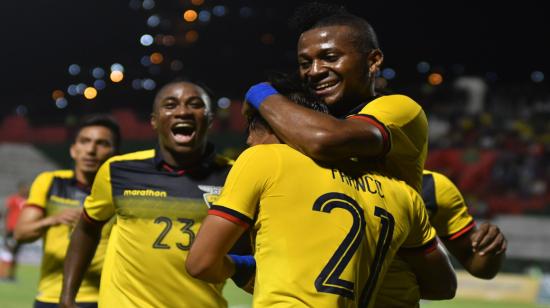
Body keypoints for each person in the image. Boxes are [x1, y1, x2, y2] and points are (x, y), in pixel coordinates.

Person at [186, 78, 457, 307]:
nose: (248, 142)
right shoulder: (403, 194)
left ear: (277, 124)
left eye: (251, 132)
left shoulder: (265, 159)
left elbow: (200, 263)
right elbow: (443, 287)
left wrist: (242, 266)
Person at [60, 81, 250, 308]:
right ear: (154, 121)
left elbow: (251, 252)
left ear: (209, 119)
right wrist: (67, 297)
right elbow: (87, 227)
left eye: (195, 105)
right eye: (170, 105)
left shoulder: (235, 177)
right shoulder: (118, 171)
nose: (183, 111)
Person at [244, 2, 427, 193]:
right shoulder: (304, 117)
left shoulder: (400, 109)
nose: (314, 71)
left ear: (373, 61)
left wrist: (259, 93)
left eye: (330, 57)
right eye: (305, 63)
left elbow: (324, 140)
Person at [14, 115, 120, 308]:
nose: (91, 150)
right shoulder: (50, 181)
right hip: (51, 297)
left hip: (104, 299)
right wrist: (53, 219)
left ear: (115, 153)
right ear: (73, 149)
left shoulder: (121, 193)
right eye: (85, 141)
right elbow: (21, 233)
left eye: (102, 143)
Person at [0, 181, 29, 281]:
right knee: (8, 251)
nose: (26, 190)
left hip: (21, 230)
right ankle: (2, 274)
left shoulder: (28, 201)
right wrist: (5, 227)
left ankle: (11, 275)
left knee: (16, 253)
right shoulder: (13, 199)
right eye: (24, 188)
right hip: (11, 230)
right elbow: (5, 212)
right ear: (20, 189)